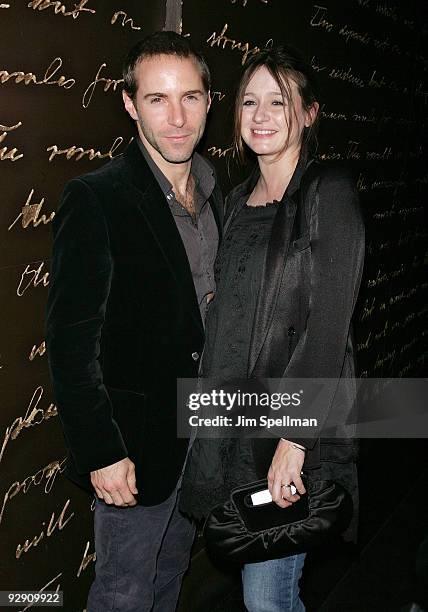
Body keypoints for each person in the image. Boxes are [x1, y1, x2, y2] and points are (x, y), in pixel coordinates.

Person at [180, 45, 365, 612]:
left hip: (287, 431)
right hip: (234, 426)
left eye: (278, 102)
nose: (260, 115)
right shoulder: (235, 201)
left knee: (267, 596)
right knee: (263, 591)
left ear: (308, 113)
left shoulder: (326, 193)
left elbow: (328, 329)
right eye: (249, 102)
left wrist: (292, 440)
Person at [46, 31, 222, 612]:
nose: (177, 118)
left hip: (203, 436)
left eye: (190, 98)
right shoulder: (96, 198)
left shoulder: (221, 192)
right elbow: (71, 346)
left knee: (171, 575)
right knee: (123, 595)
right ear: (129, 103)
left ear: (209, 101)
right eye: (157, 99)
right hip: (135, 448)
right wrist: (100, 450)